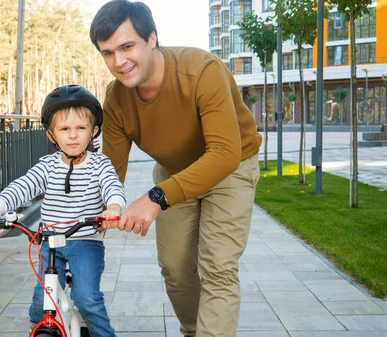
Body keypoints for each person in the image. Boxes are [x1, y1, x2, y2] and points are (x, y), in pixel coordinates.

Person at [90, 1, 263, 336]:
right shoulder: (116, 100)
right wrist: (91, 211)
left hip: (232, 167)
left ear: (152, 38)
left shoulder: (201, 71)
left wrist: (155, 197)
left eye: (127, 47)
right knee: (175, 269)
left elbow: (224, 153)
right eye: (108, 53)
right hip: (174, 170)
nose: (119, 62)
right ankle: (195, 331)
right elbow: (109, 171)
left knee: (218, 267)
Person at [0, 84, 125, 337]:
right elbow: (21, 187)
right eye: (65, 129)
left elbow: (113, 187)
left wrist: (113, 207)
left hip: (86, 241)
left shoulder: (100, 164)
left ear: (94, 131)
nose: (73, 136)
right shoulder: (46, 166)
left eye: (81, 128)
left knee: (87, 298)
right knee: (40, 299)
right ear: (51, 135)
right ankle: (39, 325)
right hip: (50, 242)